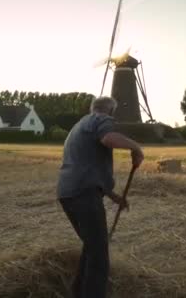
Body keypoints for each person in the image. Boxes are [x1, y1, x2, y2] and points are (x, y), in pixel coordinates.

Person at [57, 96, 144, 298]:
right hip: (83, 194)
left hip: (67, 192)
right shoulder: (102, 120)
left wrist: (114, 196)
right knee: (99, 254)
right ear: (111, 112)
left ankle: (78, 292)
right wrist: (136, 147)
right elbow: (108, 138)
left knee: (92, 245)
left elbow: (87, 168)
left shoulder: (79, 126)